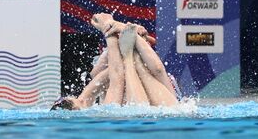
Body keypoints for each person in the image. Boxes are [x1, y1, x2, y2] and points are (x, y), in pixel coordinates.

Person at [50, 13, 179, 110]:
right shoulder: (105, 111)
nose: (77, 97)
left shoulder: (94, 107)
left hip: (150, 113)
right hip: (156, 112)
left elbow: (105, 73)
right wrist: (109, 27)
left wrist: (125, 33)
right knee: (138, 67)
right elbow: (119, 73)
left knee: (105, 73)